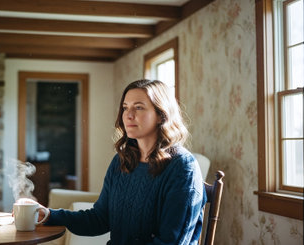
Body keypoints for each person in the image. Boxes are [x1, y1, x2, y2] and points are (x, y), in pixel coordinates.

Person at [27, 79, 206, 245]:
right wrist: (49, 215)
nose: (128, 115)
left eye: (139, 107)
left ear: (161, 115)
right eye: (125, 107)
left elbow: (171, 242)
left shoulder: (182, 168)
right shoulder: (123, 160)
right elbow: (100, 219)